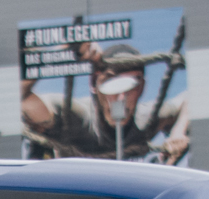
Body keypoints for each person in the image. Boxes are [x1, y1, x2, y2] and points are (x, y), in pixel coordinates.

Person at [20, 41, 190, 164]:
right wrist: (59, 57)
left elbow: (190, 98)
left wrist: (178, 131)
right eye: (111, 82)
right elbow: (22, 99)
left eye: (131, 84)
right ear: (94, 83)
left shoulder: (147, 118)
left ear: (141, 88)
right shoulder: (76, 116)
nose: (120, 97)